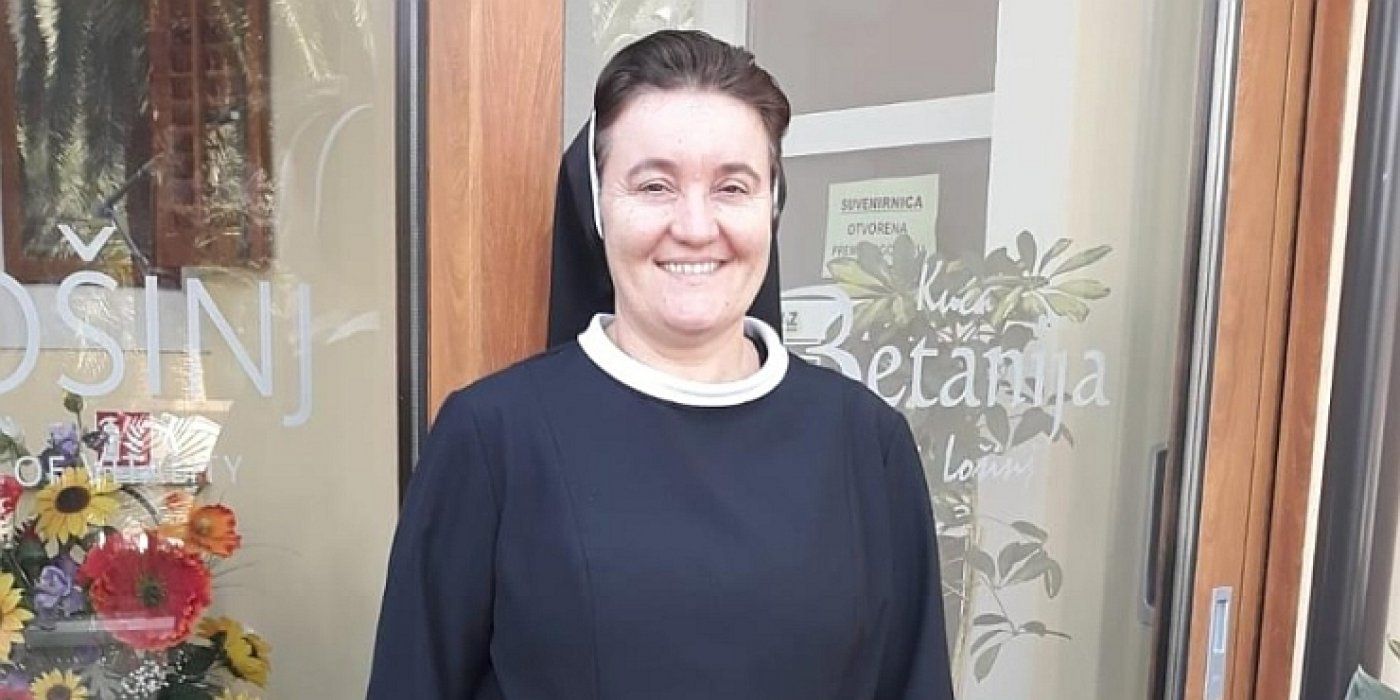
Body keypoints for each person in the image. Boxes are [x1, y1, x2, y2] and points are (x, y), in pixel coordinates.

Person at [367, 29, 954, 699]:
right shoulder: (492, 439)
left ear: (771, 204)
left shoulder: (867, 444)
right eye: (654, 185)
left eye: (732, 186)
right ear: (599, 206)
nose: (696, 227)